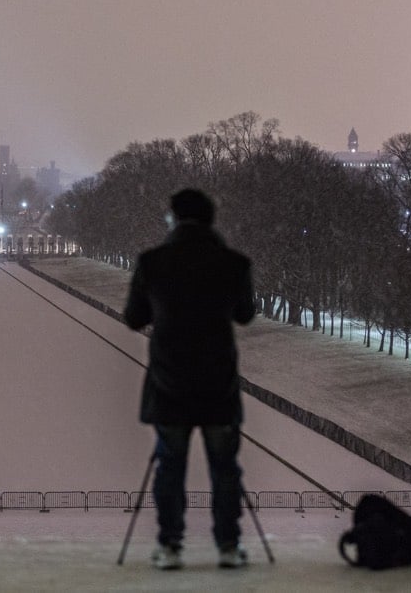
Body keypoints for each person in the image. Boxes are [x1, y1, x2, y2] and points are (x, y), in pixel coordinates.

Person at [123, 188, 256, 570]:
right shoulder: (234, 263)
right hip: (218, 383)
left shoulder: (153, 262)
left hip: (170, 381)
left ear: (174, 218)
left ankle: (170, 545)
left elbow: (134, 317)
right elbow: (244, 315)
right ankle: (228, 544)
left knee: (170, 467)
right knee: (225, 469)